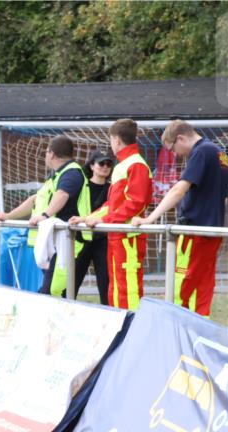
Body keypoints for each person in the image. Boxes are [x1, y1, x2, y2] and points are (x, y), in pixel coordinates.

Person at [131, 119, 228, 317]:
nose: (175, 155)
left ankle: (180, 330)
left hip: (195, 232)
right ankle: (200, 331)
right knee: (202, 287)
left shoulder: (202, 152)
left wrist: (149, 218)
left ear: (181, 138)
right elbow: (225, 198)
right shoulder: (219, 153)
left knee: (183, 287)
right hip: (212, 230)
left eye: (172, 148)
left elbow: (179, 189)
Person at [71, 119, 153, 310]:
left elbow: (135, 203)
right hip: (118, 236)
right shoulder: (124, 165)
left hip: (128, 237)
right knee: (116, 287)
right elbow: (113, 204)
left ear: (116, 140)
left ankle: (131, 330)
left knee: (128, 288)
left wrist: (105, 220)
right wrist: (87, 218)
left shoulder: (135, 165)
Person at [0, 135, 90, 296]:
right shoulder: (56, 175)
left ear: (51, 154)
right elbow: (34, 199)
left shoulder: (71, 173)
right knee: (49, 291)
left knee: (52, 292)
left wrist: (45, 215)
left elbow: (62, 195)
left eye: (46, 152)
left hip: (69, 244)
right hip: (54, 244)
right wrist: (8, 216)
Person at [67, 150, 112, 304]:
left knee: (105, 283)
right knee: (72, 282)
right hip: (81, 239)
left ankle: (109, 315)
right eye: (101, 163)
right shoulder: (81, 186)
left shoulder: (112, 189)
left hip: (102, 240)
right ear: (92, 165)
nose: (105, 167)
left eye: (108, 164)